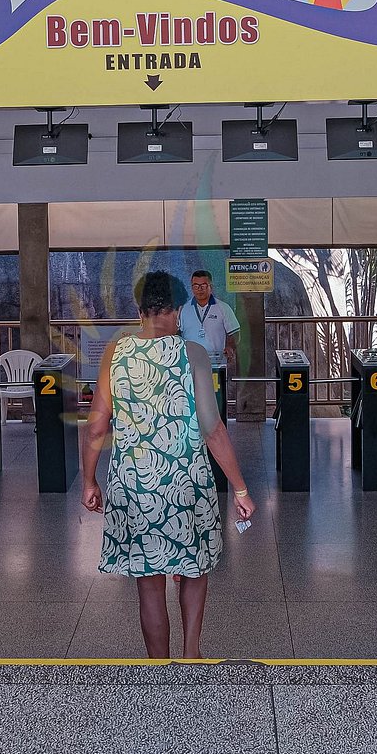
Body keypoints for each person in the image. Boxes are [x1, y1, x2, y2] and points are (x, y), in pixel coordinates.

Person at [81, 271, 254, 659]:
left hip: (135, 484)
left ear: (139, 309)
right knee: (194, 569)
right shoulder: (192, 354)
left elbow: (96, 425)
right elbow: (213, 428)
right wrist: (240, 489)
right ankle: (191, 655)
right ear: (177, 310)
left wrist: (89, 481)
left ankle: (159, 667)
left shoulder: (115, 353)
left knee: (149, 581)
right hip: (186, 481)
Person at [180, 269, 240, 374]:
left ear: (211, 287)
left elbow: (234, 332)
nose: (199, 289)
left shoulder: (223, 308)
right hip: (190, 365)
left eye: (203, 285)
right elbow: (178, 334)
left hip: (217, 365)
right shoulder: (184, 309)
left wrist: (230, 347)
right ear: (192, 288)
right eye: (196, 286)